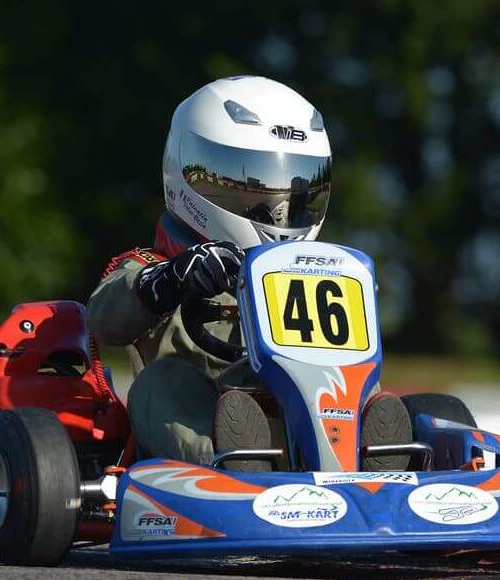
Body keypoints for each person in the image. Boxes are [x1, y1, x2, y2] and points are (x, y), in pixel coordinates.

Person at [87, 76, 410, 470]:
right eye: (252, 189)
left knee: (358, 378)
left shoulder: (310, 272)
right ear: (190, 174)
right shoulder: (157, 265)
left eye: (294, 189)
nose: (277, 209)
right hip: (203, 416)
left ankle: (376, 459)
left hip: (305, 408)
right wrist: (170, 280)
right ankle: (231, 465)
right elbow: (103, 319)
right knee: (161, 383)